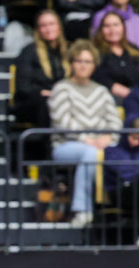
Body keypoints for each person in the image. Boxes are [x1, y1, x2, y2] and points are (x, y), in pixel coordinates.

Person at [50, 39, 122, 228]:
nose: (83, 66)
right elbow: (62, 122)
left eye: (88, 62)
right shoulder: (61, 88)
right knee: (89, 154)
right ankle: (82, 211)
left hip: (100, 144)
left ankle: (119, 207)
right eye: (79, 61)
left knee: (116, 153)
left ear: (94, 65)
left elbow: (114, 122)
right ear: (71, 63)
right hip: (66, 146)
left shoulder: (101, 91)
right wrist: (87, 139)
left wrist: (108, 137)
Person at [14, 10, 70, 128]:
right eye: (43, 25)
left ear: (59, 27)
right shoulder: (29, 51)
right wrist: (46, 93)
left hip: (63, 99)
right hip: (34, 102)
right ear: (38, 30)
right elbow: (23, 87)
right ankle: (50, 143)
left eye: (51, 24)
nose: (48, 29)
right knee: (47, 103)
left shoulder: (68, 51)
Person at [101, 123, 139, 249]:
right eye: (133, 137)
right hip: (120, 192)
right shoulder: (112, 152)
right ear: (125, 135)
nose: (136, 142)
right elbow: (123, 172)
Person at [93, 11, 139, 102]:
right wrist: (112, 86)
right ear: (101, 29)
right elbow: (95, 76)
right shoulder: (96, 52)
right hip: (109, 98)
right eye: (107, 26)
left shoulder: (134, 50)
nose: (112, 30)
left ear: (123, 27)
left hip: (138, 97)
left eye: (116, 25)